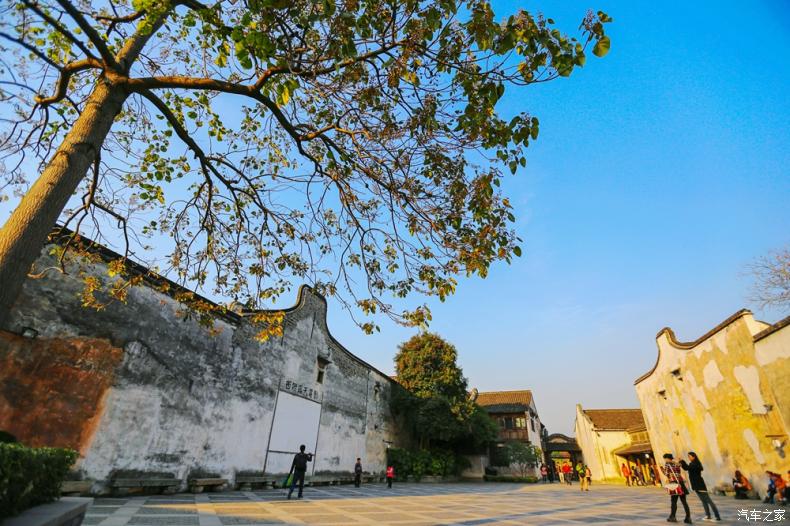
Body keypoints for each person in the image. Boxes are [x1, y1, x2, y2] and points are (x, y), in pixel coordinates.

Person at [680, 452, 720, 522]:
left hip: (700, 485)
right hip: (696, 486)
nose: (689, 457)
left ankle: (717, 516)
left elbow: (687, 468)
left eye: (689, 456)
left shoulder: (696, 464)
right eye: (688, 456)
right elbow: (686, 468)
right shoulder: (692, 464)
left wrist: (682, 461)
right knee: (703, 501)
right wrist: (681, 462)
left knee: (709, 501)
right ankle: (708, 516)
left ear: (694, 457)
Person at [662, 453, 692, 524]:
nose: (665, 460)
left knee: (673, 502)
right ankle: (688, 518)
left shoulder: (667, 464)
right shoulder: (677, 463)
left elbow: (666, 473)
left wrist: (661, 469)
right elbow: (679, 471)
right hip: (681, 483)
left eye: (665, 458)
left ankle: (672, 517)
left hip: (674, 484)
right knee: (684, 502)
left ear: (667, 458)